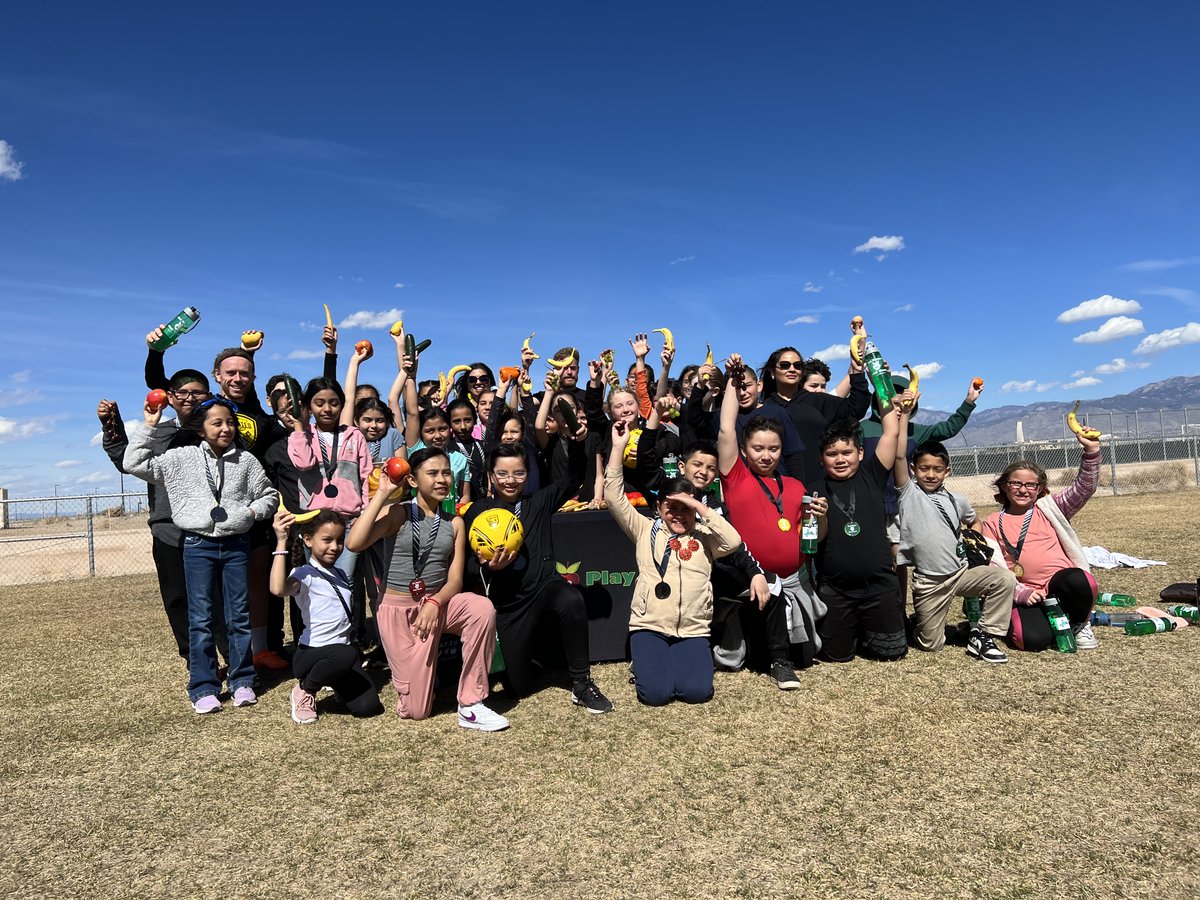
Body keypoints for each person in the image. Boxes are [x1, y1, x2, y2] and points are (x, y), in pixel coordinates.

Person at [124, 396, 279, 713]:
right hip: (197, 544)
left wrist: (248, 513)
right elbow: (134, 464)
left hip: (237, 544)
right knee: (201, 618)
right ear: (200, 429)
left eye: (230, 422)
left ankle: (242, 681)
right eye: (217, 422)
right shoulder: (180, 459)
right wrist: (149, 427)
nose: (226, 428)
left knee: (238, 615)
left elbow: (270, 496)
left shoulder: (246, 461)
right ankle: (203, 687)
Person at [346, 448, 509, 730]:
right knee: (417, 711)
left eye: (446, 473)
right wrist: (383, 493)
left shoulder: (455, 523)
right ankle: (417, 683)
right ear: (412, 481)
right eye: (432, 473)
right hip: (398, 612)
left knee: (481, 608)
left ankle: (471, 703)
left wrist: (435, 604)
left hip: (437, 606)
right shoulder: (398, 514)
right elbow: (354, 543)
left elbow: (455, 580)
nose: (442, 479)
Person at [463, 437, 614, 714]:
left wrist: (579, 441)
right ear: (490, 476)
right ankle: (538, 657)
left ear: (528, 475)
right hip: (509, 607)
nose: (511, 480)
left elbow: (575, 477)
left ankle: (581, 683)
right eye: (503, 473)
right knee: (517, 687)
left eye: (519, 473)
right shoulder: (478, 511)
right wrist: (487, 567)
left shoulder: (539, 501)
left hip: (544, 588)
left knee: (569, 596)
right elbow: (466, 568)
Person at [604, 423, 742, 705]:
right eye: (671, 508)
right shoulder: (644, 529)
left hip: (692, 629)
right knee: (655, 696)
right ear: (658, 509)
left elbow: (733, 541)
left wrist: (700, 507)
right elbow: (614, 497)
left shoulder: (705, 536)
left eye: (685, 509)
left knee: (697, 693)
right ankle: (646, 663)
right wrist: (618, 448)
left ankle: (672, 665)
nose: (678, 515)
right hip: (650, 627)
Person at [98, 371, 228, 667]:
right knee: (178, 599)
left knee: (219, 599)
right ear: (169, 398)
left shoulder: (218, 430)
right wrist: (111, 424)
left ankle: (233, 658)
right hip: (169, 530)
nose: (189, 398)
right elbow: (125, 460)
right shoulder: (156, 432)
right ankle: (196, 661)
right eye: (181, 393)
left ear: (209, 396)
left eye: (197, 392)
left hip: (213, 529)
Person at [717, 354, 824, 686]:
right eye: (759, 448)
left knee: (811, 653)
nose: (766, 455)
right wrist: (733, 383)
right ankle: (779, 662)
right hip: (749, 577)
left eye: (774, 449)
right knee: (763, 641)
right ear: (745, 451)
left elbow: (814, 539)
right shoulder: (736, 477)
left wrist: (821, 519)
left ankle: (782, 650)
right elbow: (725, 428)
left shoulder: (794, 486)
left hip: (795, 579)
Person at [894, 438, 1015, 663]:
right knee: (931, 645)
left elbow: (974, 521)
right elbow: (899, 456)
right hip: (930, 582)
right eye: (924, 468)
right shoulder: (909, 493)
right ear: (913, 469)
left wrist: (973, 540)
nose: (931, 474)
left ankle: (983, 633)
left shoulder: (958, 500)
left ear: (947, 471)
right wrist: (903, 416)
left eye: (937, 469)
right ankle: (922, 623)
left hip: (961, 574)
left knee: (1004, 579)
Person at [980, 428, 1102, 651]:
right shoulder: (991, 521)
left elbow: (1085, 487)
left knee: (1082, 580)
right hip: (1027, 593)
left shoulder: (1051, 508)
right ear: (1004, 487)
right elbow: (993, 563)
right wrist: (1019, 592)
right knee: (1031, 640)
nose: (1022, 489)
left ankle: (1079, 623)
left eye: (1030, 485)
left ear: (1040, 490)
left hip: (1061, 584)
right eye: (1015, 483)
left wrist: (1091, 450)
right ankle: (1047, 619)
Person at [812, 394, 907, 663]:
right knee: (835, 656)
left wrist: (879, 379)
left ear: (860, 453)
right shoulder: (815, 490)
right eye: (831, 454)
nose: (840, 459)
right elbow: (816, 541)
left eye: (846, 452)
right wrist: (820, 518)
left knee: (891, 654)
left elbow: (891, 430)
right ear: (821, 458)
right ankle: (854, 629)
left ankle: (869, 627)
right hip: (837, 589)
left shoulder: (872, 474)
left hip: (879, 586)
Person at [270, 510, 384, 723]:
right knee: (344, 654)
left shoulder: (339, 573)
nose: (335, 547)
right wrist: (280, 542)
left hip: (341, 656)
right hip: (311, 655)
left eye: (340, 540)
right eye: (327, 540)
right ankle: (305, 689)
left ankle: (333, 680)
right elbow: (278, 589)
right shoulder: (304, 574)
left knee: (368, 707)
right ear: (308, 540)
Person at [285, 377, 373, 577]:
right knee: (318, 579)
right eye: (319, 403)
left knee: (346, 578)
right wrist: (299, 427)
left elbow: (366, 476)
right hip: (315, 519)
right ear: (309, 406)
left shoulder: (354, 435)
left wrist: (365, 513)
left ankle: (345, 610)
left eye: (334, 403)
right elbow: (304, 463)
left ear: (342, 404)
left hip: (349, 520)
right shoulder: (301, 435)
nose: (327, 409)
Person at [761, 341, 870, 487]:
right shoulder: (764, 409)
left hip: (820, 488)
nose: (792, 369)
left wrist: (857, 372)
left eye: (798, 365)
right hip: (775, 490)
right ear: (773, 372)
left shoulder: (818, 400)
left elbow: (857, 408)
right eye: (785, 365)